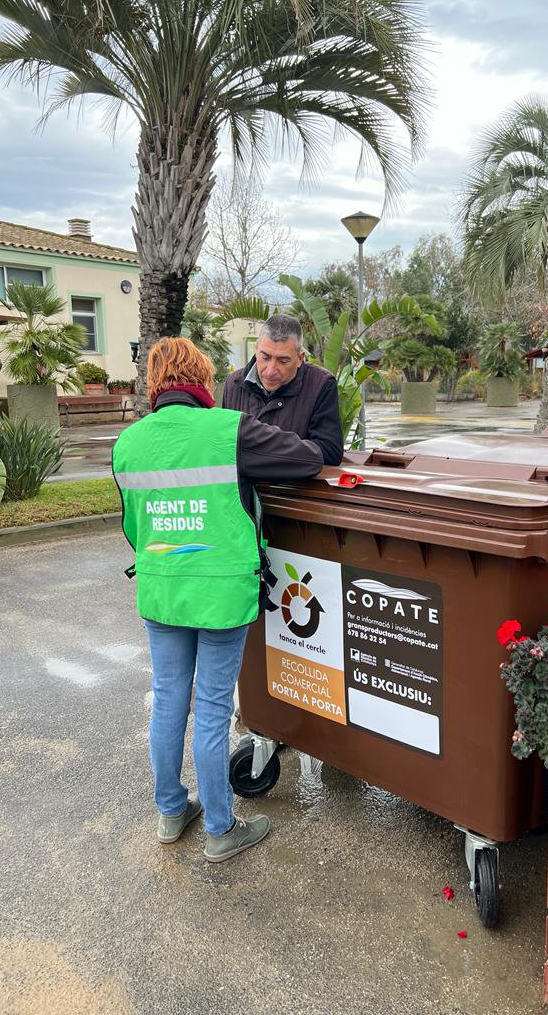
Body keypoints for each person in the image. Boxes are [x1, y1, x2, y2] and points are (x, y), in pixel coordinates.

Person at [112, 337, 323, 862]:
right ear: (201, 381)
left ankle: (170, 813)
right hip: (222, 591)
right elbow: (307, 458)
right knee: (210, 708)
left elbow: (133, 525)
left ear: (154, 384)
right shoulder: (229, 430)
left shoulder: (128, 443)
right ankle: (221, 829)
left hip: (162, 588)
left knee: (167, 701)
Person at [222, 313, 344, 466]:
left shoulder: (321, 385)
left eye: (283, 361)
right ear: (256, 349)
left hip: (293, 488)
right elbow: (224, 446)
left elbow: (330, 452)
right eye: (265, 357)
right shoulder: (233, 384)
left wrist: (262, 443)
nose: (271, 370)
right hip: (242, 489)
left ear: (300, 358)